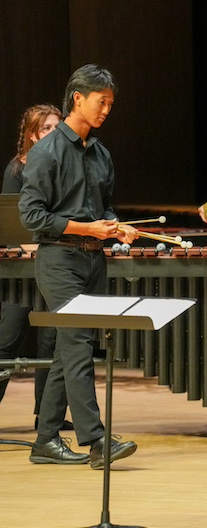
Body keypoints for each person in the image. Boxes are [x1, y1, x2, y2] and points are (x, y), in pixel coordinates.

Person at [19, 64, 139, 468]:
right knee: (77, 347)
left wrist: (115, 226)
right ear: (78, 98)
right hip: (59, 260)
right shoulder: (46, 151)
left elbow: (103, 206)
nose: (106, 109)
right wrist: (87, 226)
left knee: (69, 352)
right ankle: (97, 440)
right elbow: (32, 215)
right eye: (101, 101)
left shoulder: (101, 153)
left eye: (110, 103)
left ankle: (45, 441)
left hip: (94, 259)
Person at [0, 104, 70, 429]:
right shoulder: (18, 169)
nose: (55, 133)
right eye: (47, 128)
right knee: (9, 338)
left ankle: (47, 419)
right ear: (33, 135)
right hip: (23, 265)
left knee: (53, 339)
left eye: (58, 126)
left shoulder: (66, 167)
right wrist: (34, 248)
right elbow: (14, 223)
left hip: (54, 261)